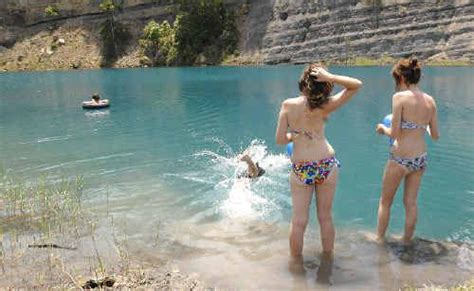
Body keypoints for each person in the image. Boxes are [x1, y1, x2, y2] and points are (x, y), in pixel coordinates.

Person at [275, 64, 362, 259]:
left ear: (303, 84)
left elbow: (280, 140)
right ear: (323, 86)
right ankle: (328, 260)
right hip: (326, 164)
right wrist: (329, 76)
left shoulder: (288, 105)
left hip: (301, 168)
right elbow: (356, 84)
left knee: (298, 221)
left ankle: (296, 265)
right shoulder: (326, 105)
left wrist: (294, 135)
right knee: (325, 217)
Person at [375, 57, 440, 244]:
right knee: (410, 203)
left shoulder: (399, 98)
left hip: (400, 158)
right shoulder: (430, 101)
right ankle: (406, 240)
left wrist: (382, 129)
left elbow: (394, 133)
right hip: (419, 159)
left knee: (385, 202)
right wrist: (420, 126)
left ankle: (379, 240)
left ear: (402, 78)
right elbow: (435, 135)